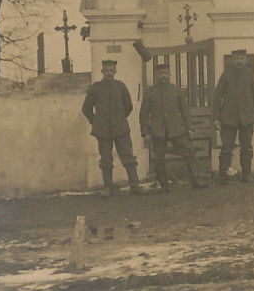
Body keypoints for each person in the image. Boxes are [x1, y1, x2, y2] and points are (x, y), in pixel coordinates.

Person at [81, 59, 145, 197]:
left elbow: (128, 106)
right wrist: (96, 122)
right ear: (102, 71)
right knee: (105, 159)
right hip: (103, 130)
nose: (109, 73)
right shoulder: (95, 88)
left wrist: (120, 119)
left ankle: (135, 185)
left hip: (120, 129)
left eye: (111, 71)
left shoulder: (121, 86)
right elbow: (86, 108)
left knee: (128, 157)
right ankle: (108, 188)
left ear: (115, 72)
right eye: (106, 71)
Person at [140, 63, 207, 192]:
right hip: (158, 130)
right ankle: (164, 185)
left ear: (170, 74)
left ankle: (196, 181)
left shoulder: (176, 90)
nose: (163, 76)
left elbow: (185, 111)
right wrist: (145, 132)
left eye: (165, 73)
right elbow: (143, 113)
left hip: (177, 129)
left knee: (190, 153)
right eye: (160, 73)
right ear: (156, 75)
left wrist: (190, 128)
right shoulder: (150, 92)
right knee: (158, 158)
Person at [211, 49, 254, 184]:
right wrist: (215, 118)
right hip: (228, 118)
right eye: (236, 59)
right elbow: (217, 97)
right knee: (226, 147)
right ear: (232, 60)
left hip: (247, 117)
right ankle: (223, 176)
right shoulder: (226, 75)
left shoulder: (251, 75)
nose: (239, 61)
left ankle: (246, 175)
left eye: (241, 58)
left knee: (247, 147)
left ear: (246, 60)